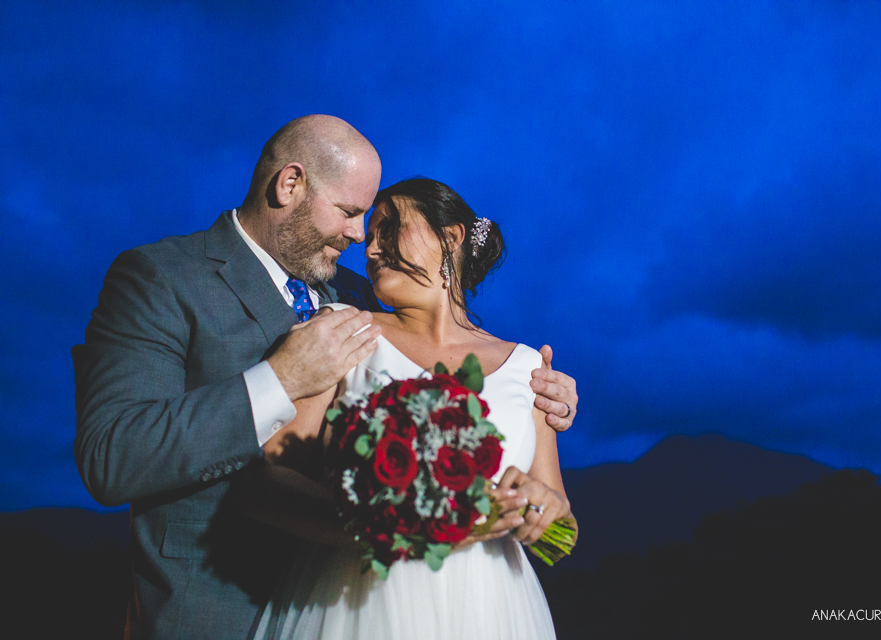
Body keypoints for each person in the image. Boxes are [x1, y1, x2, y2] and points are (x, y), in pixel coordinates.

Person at [72, 116, 579, 639]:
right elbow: (112, 455)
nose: (361, 238)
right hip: (216, 611)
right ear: (289, 185)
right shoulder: (161, 276)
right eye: (350, 212)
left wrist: (535, 401)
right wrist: (279, 378)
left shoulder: (362, 297)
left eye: (375, 222)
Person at [250, 178, 575, 640]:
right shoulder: (342, 331)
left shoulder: (527, 366)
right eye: (369, 236)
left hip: (490, 612)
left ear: (452, 237)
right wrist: (375, 523)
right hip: (357, 602)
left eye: (389, 229)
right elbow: (267, 480)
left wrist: (542, 509)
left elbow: (558, 527)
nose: (370, 250)